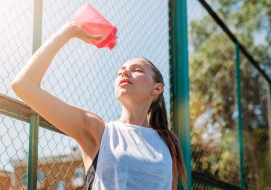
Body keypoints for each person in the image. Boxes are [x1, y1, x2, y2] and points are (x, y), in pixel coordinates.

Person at [12, 21, 186, 190]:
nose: (125, 72)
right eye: (120, 71)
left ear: (157, 88)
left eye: (137, 69)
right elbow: (23, 85)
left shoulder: (167, 142)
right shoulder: (99, 131)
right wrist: (69, 31)